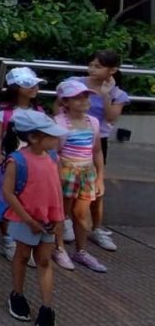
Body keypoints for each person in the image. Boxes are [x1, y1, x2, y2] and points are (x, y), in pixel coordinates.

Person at [2, 110, 66, 326]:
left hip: (49, 220)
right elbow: (8, 193)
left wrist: (59, 218)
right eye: (50, 135)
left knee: (44, 260)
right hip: (25, 219)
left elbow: (56, 189)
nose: (55, 139)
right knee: (22, 255)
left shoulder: (53, 157)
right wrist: (29, 221)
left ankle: (47, 308)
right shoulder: (17, 160)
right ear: (33, 137)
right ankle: (17, 294)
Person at [71, 50, 128, 252]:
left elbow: (111, 117)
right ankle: (68, 222)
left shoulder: (117, 93)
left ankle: (96, 228)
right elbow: (60, 105)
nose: (92, 69)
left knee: (96, 184)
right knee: (68, 179)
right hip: (73, 136)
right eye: (91, 65)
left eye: (98, 66)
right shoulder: (76, 83)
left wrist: (105, 95)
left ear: (112, 70)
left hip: (98, 140)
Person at [0, 67, 45, 262]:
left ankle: (24, 241)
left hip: (34, 167)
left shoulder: (39, 111)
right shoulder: (2, 113)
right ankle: (8, 240)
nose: (35, 88)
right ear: (15, 88)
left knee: (28, 202)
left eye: (36, 84)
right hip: (10, 164)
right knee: (6, 201)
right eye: (29, 85)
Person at [50, 80, 107, 272]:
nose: (84, 100)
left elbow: (97, 151)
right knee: (61, 213)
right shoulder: (58, 123)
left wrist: (100, 177)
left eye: (85, 96)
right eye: (77, 98)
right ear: (65, 102)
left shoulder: (93, 122)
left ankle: (81, 251)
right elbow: (54, 153)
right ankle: (58, 248)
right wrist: (58, 174)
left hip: (87, 172)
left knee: (82, 213)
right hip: (66, 172)